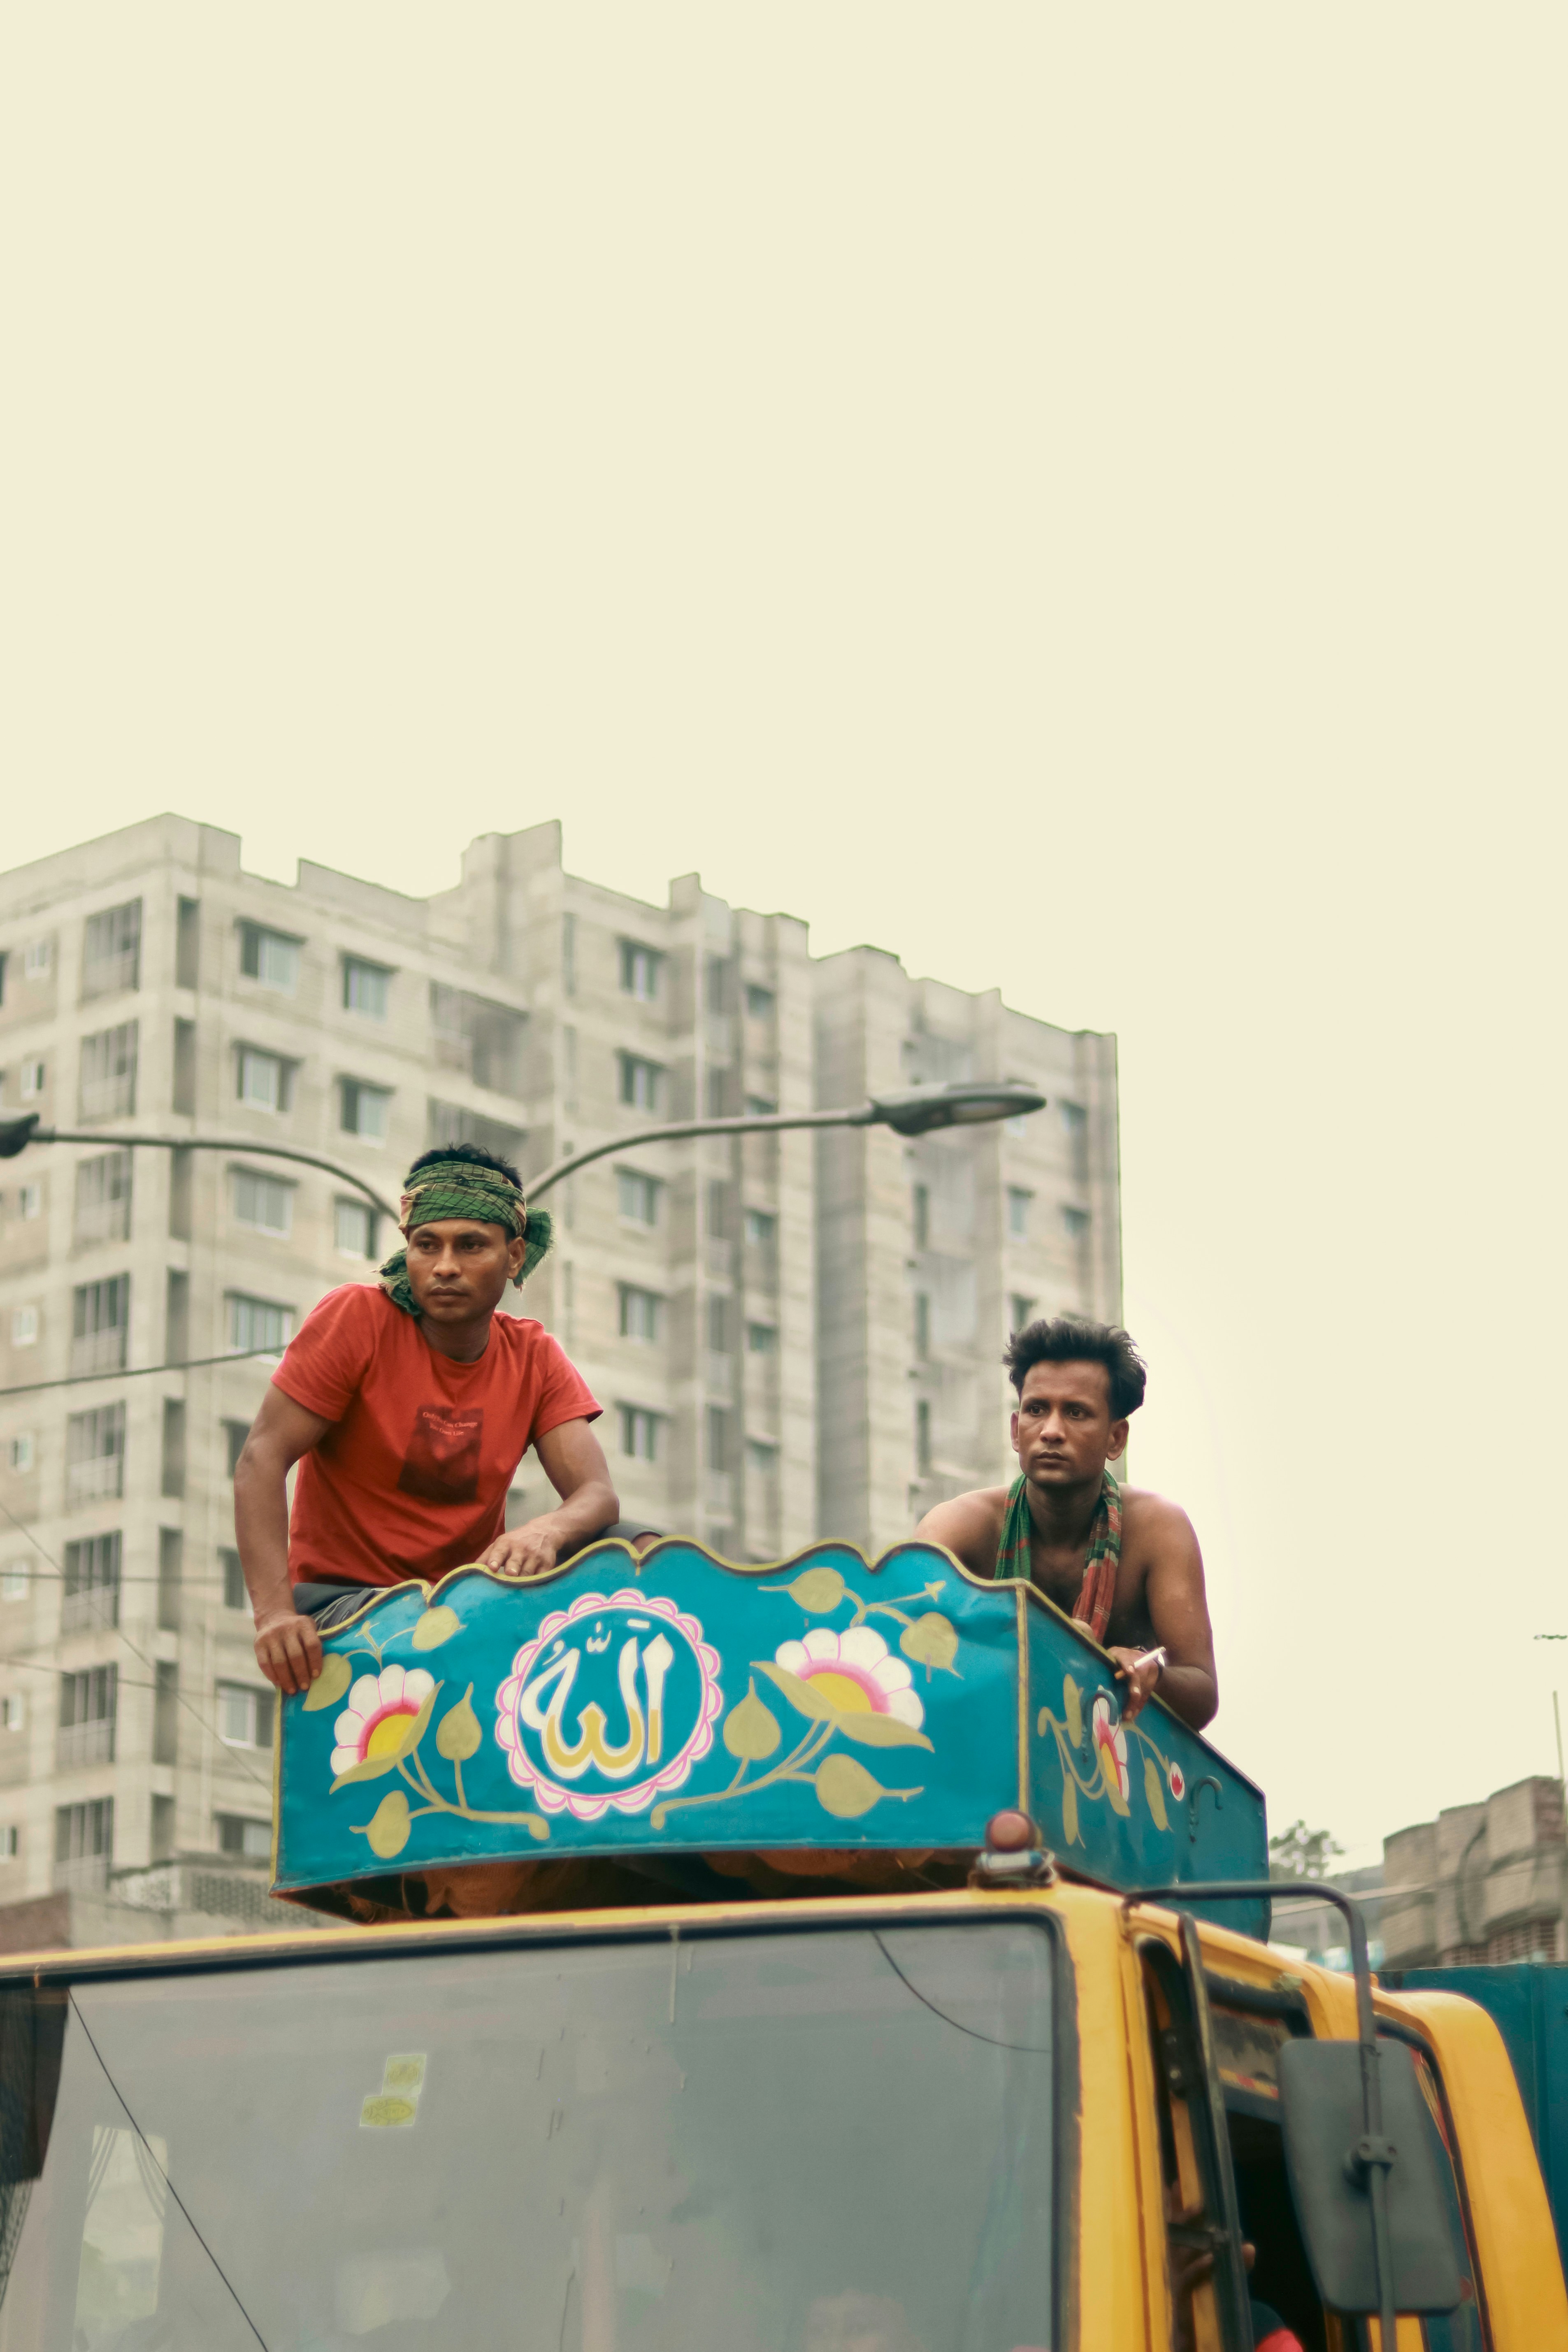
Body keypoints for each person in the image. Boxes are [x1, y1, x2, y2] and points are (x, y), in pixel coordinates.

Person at [235, 1141, 621, 1697]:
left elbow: (596, 1494)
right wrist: (274, 1616)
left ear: (514, 1257)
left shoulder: (533, 1356)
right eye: (426, 1245)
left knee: (632, 1544)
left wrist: (546, 1529)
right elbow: (261, 1459)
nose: (444, 1266)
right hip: (345, 1609)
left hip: (465, 1608)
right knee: (461, 1642)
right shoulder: (357, 1318)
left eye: (471, 1245)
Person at [914, 1315, 1217, 1731]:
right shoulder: (956, 1529)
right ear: (1016, 1431)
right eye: (1036, 1410)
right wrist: (1043, 1639)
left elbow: (1201, 1692)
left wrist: (1148, 1673)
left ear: (1116, 1438)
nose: (1051, 1431)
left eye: (1076, 1413)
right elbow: (906, 1645)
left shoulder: (1157, 1528)